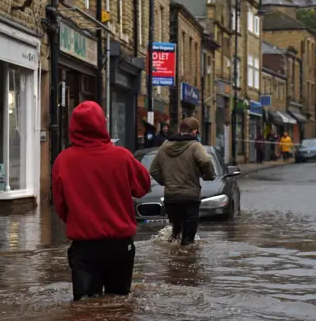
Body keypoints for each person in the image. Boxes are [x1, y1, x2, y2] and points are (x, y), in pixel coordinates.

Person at [52, 101, 151, 301]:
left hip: (85, 247)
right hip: (119, 246)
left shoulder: (63, 161)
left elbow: (61, 207)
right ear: (101, 124)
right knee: (119, 304)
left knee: (85, 308)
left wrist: (80, 219)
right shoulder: (122, 156)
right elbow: (143, 187)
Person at [149, 117, 216, 246]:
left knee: (175, 235)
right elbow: (206, 161)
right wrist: (209, 175)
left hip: (171, 199)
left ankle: (172, 263)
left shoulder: (165, 145)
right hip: (189, 199)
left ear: (180, 130)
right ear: (195, 132)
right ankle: (185, 262)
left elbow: (153, 170)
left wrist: (167, 182)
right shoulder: (194, 145)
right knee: (188, 241)